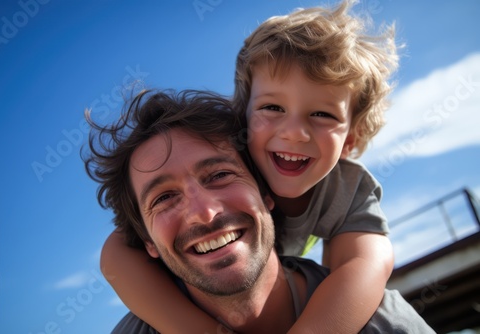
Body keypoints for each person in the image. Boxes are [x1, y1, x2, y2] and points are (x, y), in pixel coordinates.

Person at [99, 1, 401, 332]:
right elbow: (116, 258)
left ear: (349, 142)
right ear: (243, 117)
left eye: (323, 114)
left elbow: (365, 263)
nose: (294, 133)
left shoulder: (346, 190)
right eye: (273, 107)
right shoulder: (230, 154)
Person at [84, 89, 434, 333]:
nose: (203, 213)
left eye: (220, 175)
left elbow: (369, 260)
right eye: (163, 198)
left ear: (268, 193)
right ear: (146, 240)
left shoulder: (384, 323)